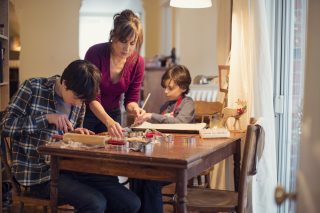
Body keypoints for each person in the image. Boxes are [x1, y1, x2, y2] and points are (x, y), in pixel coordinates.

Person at [0, 60, 141, 213]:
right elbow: (5, 125)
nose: (79, 104)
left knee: (130, 203)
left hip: (71, 167)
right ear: (65, 83)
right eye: (77, 98)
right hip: (39, 175)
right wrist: (46, 118)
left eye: (83, 101)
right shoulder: (33, 88)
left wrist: (76, 135)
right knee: (95, 203)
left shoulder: (78, 102)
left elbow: (66, 136)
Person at [132, 65, 195, 213]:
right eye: (164, 87)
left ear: (184, 87)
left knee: (151, 180)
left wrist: (152, 116)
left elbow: (180, 123)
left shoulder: (188, 103)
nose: (165, 91)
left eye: (170, 88)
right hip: (164, 158)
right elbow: (157, 130)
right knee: (137, 176)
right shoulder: (166, 106)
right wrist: (141, 124)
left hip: (180, 161)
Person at [84, 9, 145, 138]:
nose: (127, 48)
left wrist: (135, 109)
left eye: (132, 43)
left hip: (113, 114)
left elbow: (131, 100)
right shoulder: (95, 53)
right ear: (114, 36)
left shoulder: (138, 62)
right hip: (88, 113)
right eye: (123, 41)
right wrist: (108, 122)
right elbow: (92, 97)